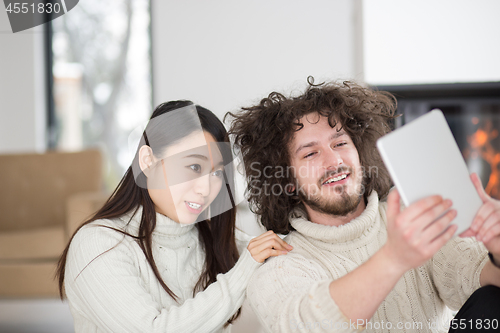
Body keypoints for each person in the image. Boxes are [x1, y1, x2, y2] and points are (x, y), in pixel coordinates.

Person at [228, 79, 500, 332]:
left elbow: (477, 277)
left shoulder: (412, 216)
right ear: (287, 182)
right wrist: (394, 258)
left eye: (341, 143)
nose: (334, 161)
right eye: (311, 153)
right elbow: (305, 325)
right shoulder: (280, 268)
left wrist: (497, 251)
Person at [56, 101, 292, 332]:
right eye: (194, 167)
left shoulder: (216, 239)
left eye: (217, 172)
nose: (206, 188)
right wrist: (242, 272)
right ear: (148, 161)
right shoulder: (98, 245)